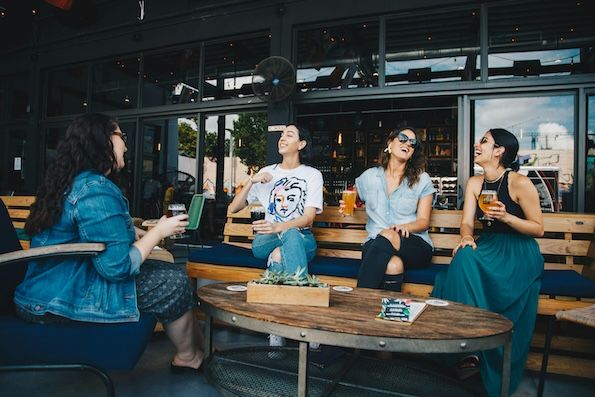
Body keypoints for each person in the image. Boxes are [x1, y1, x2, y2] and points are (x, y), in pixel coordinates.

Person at [14, 113, 204, 373]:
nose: (126, 144)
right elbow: (116, 268)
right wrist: (158, 232)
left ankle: (194, 351)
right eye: (121, 136)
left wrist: (133, 231)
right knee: (174, 281)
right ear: (103, 141)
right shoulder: (95, 189)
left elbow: (88, 236)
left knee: (167, 273)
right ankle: (189, 356)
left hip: (45, 290)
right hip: (54, 302)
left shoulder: (75, 182)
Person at [432, 128, 544, 397]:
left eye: (484, 141)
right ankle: (464, 348)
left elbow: (538, 228)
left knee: (457, 270)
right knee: (464, 255)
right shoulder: (474, 183)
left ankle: (475, 350)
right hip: (488, 244)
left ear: (499, 151)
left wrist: (507, 218)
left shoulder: (519, 183)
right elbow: (467, 222)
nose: (476, 145)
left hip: (518, 252)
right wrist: (467, 236)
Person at [228, 124, 323, 348]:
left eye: (289, 135)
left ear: (301, 144)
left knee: (282, 250)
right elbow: (233, 208)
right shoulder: (267, 173)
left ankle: (276, 329)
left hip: (302, 239)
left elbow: (308, 218)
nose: (282, 138)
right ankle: (304, 322)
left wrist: (280, 227)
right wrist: (252, 180)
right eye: (281, 135)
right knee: (283, 237)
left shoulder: (311, 175)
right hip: (265, 241)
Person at [342, 127, 435, 292]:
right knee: (393, 265)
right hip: (376, 244)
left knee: (389, 234)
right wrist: (351, 204)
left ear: (413, 153)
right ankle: (387, 313)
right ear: (390, 143)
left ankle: (358, 299)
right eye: (403, 138)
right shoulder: (369, 177)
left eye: (413, 144)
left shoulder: (422, 179)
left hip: (413, 244)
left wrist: (404, 227)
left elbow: (423, 222)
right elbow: (353, 196)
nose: (407, 143)